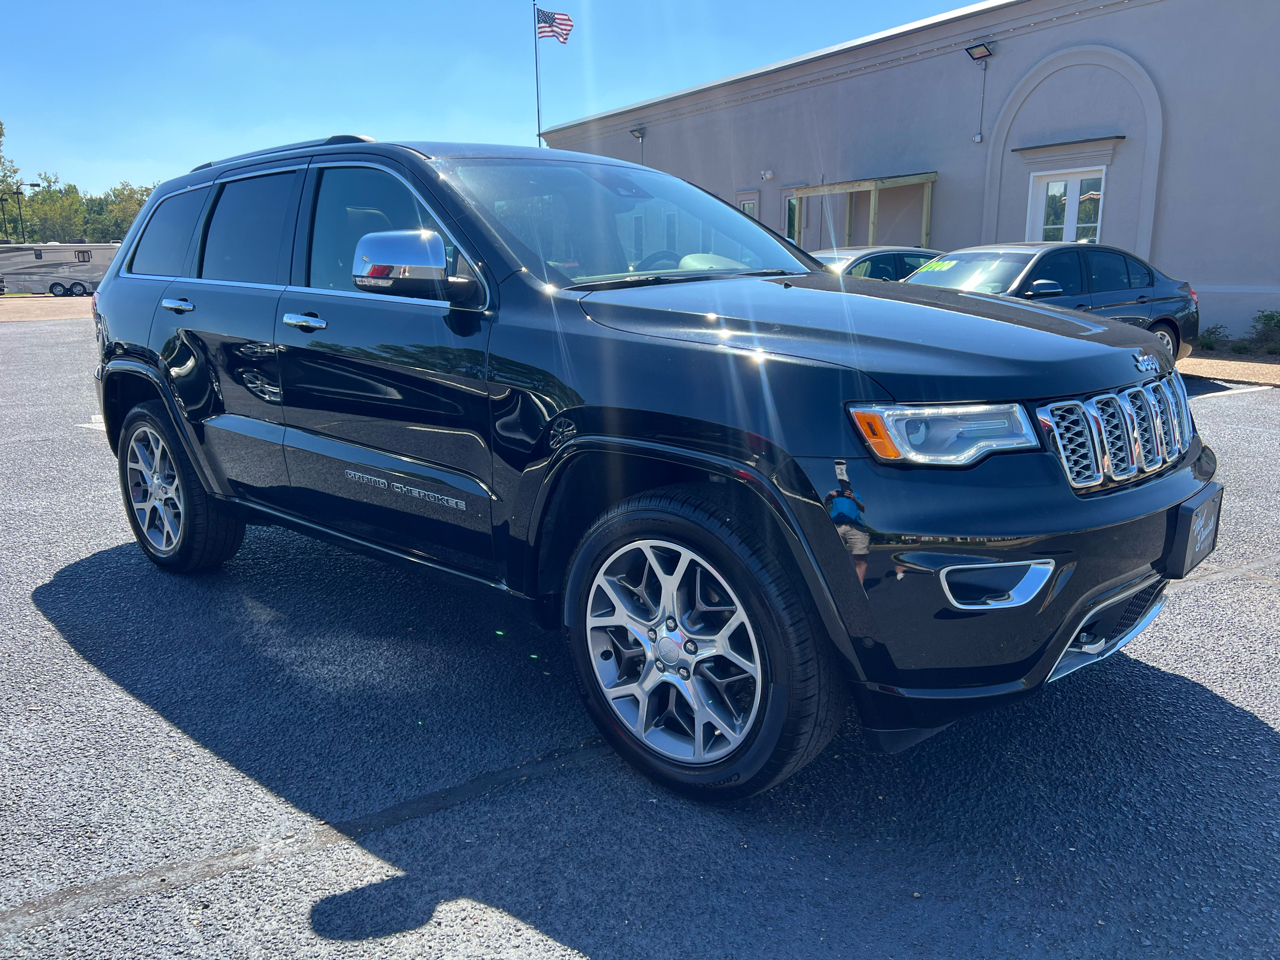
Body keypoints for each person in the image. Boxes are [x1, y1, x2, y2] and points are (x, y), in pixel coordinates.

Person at [823, 460, 871, 584]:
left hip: (855, 527)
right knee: (833, 557)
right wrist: (829, 497)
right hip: (836, 527)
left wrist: (854, 499)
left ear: (849, 482)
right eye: (841, 482)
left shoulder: (856, 494)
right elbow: (822, 505)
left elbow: (863, 508)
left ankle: (859, 588)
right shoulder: (833, 492)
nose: (844, 485)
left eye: (846, 483)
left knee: (860, 558)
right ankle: (835, 584)